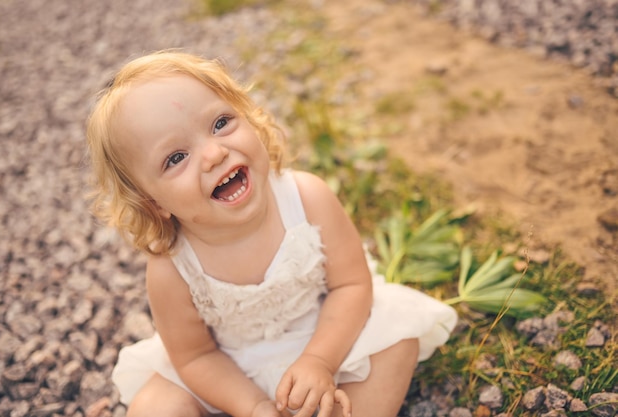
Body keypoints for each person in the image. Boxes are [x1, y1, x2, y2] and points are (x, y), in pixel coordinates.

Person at [86, 50, 458, 417]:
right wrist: (253, 406)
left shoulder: (306, 197)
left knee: (396, 340)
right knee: (153, 408)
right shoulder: (172, 269)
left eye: (220, 123)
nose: (214, 154)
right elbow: (196, 356)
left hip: (330, 338)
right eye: (176, 158)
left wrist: (319, 361)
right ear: (154, 204)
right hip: (230, 373)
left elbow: (352, 286)